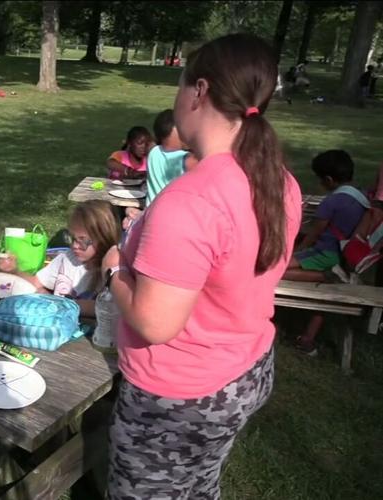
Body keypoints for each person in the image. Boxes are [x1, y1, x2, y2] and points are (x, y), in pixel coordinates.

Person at [99, 34, 303, 499]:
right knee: (196, 486)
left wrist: (115, 270)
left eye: (180, 83)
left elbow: (155, 322)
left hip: (179, 397)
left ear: (199, 91)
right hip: (244, 370)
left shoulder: (190, 200)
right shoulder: (278, 179)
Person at [284, 150, 369, 355]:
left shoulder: (332, 202)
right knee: (324, 295)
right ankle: (307, 339)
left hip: (325, 254)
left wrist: (296, 251)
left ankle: (325, 276)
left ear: (329, 180)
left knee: (276, 270)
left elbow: (314, 233)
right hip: (345, 257)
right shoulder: (362, 197)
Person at [0, 201, 119, 316]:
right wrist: (14, 271)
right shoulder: (67, 259)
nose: (74, 246)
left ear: (104, 239)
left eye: (83, 241)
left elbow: (109, 307)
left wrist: (58, 303)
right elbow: (35, 282)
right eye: (72, 238)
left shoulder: (113, 269)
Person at [145, 109, 197, 205]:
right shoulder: (187, 159)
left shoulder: (153, 152)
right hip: (173, 214)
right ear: (176, 131)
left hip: (151, 212)